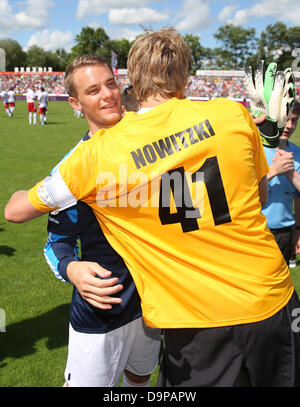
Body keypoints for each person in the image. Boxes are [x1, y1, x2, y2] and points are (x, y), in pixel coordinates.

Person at [5, 28, 300, 387]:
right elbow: (261, 198)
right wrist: (266, 135)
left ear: (129, 78)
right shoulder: (230, 114)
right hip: (270, 295)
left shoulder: (94, 155)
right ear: (186, 75)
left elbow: (16, 211)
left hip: (192, 318)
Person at [39, 55, 160, 387]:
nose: (107, 95)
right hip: (104, 307)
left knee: (141, 378)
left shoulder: (157, 149)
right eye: (93, 90)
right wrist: (72, 269)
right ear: (76, 103)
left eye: (110, 84)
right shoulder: (72, 167)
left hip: (156, 301)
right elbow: (56, 241)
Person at [261, 100, 300, 266]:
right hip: (256, 231)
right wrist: (273, 171)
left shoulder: (297, 153)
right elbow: (239, 193)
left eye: (294, 120)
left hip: (285, 232)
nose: (289, 125)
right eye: (285, 119)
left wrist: (298, 230)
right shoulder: (253, 149)